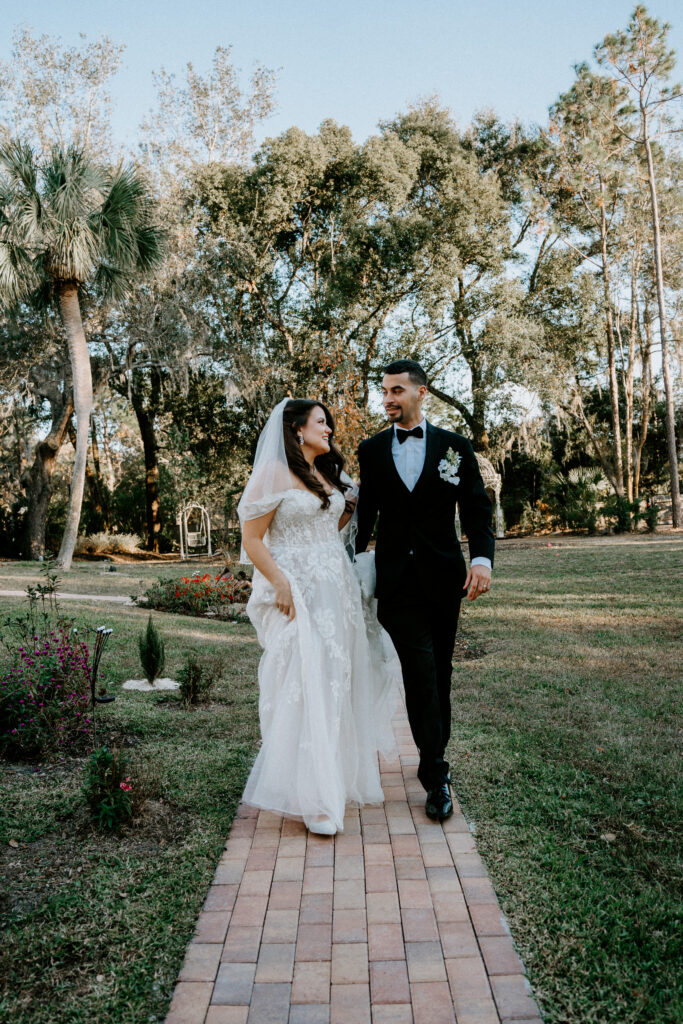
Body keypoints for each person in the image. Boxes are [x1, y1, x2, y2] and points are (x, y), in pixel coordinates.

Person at [238, 398, 400, 836]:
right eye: (321, 422)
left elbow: (328, 528)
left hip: (336, 591)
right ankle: (313, 798)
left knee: (337, 681)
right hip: (299, 589)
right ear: (297, 429)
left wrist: (348, 505)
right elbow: (252, 539)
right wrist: (280, 583)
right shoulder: (274, 473)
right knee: (304, 681)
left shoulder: (325, 475)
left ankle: (334, 782)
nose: (328, 430)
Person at [355, 359, 495, 822]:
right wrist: (346, 563)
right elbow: (366, 515)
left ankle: (432, 757)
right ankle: (436, 774)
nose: (387, 399)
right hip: (396, 583)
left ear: (421, 392)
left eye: (396, 390)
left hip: (443, 579)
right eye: (384, 392)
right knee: (420, 672)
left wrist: (481, 559)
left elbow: (476, 508)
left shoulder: (455, 447)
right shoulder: (371, 450)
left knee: (440, 673)